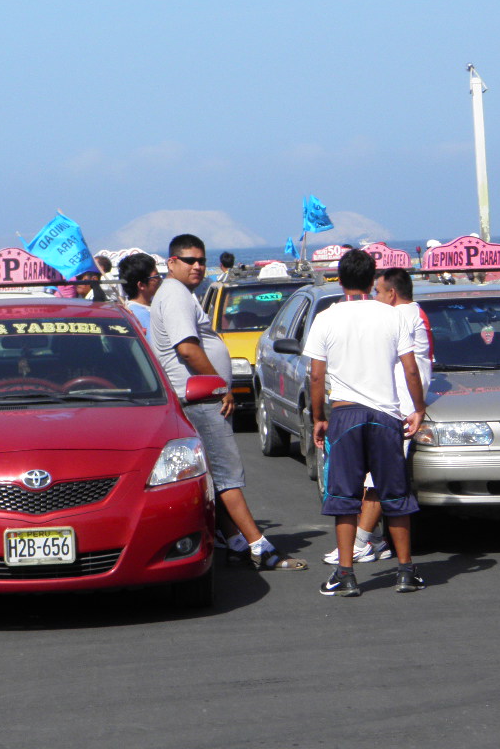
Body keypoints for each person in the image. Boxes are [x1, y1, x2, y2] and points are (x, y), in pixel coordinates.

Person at [150, 233, 306, 571]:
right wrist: (221, 387)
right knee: (227, 476)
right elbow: (187, 349)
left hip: (197, 399)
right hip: (201, 399)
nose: (197, 266)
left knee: (215, 479)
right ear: (171, 262)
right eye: (189, 260)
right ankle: (258, 546)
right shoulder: (175, 296)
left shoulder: (180, 295)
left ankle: (235, 541)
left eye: (201, 260)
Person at [304, 249, 426, 597]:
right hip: (386, 415)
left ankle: (346, 573)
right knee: (395, 494)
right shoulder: (392, 316)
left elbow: (316, 375)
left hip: (345, 414)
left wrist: (318, 417)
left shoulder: (327, 317)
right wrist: (418, 408)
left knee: (344, 495)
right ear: (373, 279)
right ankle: (405, 570)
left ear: (339, 280)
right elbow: (411, 367)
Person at [323, 266, 433, 566]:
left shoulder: (402, 316)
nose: (374, 298)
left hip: (394, 410)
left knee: (379, 485)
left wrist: (417, 408)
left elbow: (411, 368)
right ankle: (380, 548)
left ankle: (360, 543)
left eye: (378, 293)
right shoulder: (404, 315)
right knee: (379, 483)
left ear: (391, 293)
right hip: (391, 407)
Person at [118, 252, 161, 335]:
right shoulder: (138, 316)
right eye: (156, 277)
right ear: (141, 285)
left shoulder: (150, 308)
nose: (159, 280)